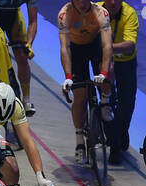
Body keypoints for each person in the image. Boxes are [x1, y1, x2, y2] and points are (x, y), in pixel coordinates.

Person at [58, 0, 114, 166]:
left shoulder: (101, 13)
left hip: (95, 45)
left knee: (110, 69)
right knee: (80, 96)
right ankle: (80, 142)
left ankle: (105, 100)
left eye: (85, 0)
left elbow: (107, 46)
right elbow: (65, 48)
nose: (82, 4)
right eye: (78, 0)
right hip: (75, 50)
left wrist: (103, 73)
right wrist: (68, 76)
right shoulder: (64, 14)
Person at [101, 0, 137, 165]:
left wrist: (109, 47)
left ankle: (122, 131)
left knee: (127, 102)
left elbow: (130, 45)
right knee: (106, 102)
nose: (113, 2)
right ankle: (114, 145)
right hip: (104, 61)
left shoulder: (129, 14)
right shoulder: (96, 10)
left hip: (125, 63)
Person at [0, 1, 38, 115]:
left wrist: (29, 44)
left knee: (22, 56)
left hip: (14, 16)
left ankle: (26, 100)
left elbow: (33, 21)